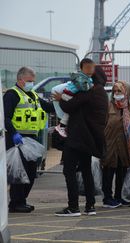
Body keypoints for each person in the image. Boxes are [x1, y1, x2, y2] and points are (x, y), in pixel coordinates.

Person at [53, 64, 108, 217]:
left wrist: (60, 98)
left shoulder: (88, 90)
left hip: (77, 137)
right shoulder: (102, 92)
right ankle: (90, 206)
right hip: (89, 139)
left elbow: (68, 106)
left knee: (69, 171)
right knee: (86, 171)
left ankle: (73, 207)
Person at [3, 66, 54, 213]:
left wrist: (63, 102)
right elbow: (5, 117)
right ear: (20, 80)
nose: (32, 83)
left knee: (31, 173)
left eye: (33, 81)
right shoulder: (12, 94)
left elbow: (48, 107)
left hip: (31, 138)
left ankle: (21, 200)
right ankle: (16, 203)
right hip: (17, 138)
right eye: (29, 81)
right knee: (20, 172)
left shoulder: (33, 94)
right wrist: (13, 133)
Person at [101, 81, 130, 208]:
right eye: (115, 91)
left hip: (125, 147)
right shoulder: (108, 107)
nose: (116, 94)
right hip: (110, 145)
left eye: (119, 91)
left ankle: (119, 197)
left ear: (126, 93)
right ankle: (107, 197)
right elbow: (101, 126)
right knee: (108, 172)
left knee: (122, 172)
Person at [52, 58, 95, 137]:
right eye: (88, 67)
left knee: (70, 111)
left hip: (69, 94)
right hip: (68, 94)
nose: (90, 70)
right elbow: (83, 87)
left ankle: (62, 126)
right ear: (81, 69)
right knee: (70, 108)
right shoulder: (81, 78)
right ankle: (61, 126)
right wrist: (91, 87)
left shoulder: (86, 78)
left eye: (92, 68)